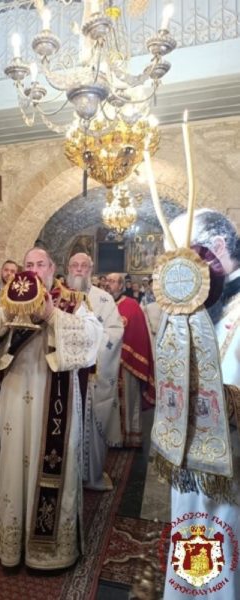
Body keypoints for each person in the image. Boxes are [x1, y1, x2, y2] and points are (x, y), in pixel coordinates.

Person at [0, 247, 104, 569]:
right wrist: (5, 318)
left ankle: (50, 551)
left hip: (55, 397)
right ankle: (14, 543)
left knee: (51, 464)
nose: (34, 269)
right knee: (15, 462)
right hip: (16, 392)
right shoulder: (7, 300)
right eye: (29, 264)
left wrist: (51, 315)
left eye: (41, 264)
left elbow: (92, 339)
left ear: (52, 268)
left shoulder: (72, 301)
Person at [162, 209, 240, 600]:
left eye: (185, 254)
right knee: (192, 541)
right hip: (190, 457)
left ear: (218, 247)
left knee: (224, 551)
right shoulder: (198, 302)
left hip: (232, 463)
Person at [67, 253, 124, 491]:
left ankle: (91, 477)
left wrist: (87, 351)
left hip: (91, 376)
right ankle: (65, 477)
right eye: (74, 265)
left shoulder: (104, 299)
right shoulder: (58, 296)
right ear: (68, 268)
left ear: (91, 269)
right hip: (63, 376)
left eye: (84, 266)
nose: (79, 269)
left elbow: (115, 332)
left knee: (90, 425)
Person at [106, 273, 155, 447]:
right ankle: (109, 437)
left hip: (126, 364)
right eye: (107, 281)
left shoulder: (131, 305)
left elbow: (139, 335)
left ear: (121, 285)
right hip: (105, 363)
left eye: (112, 281)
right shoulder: (102, 304)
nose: (108, 284)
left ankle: (128, 437)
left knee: (128, 400)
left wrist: (124, 354)